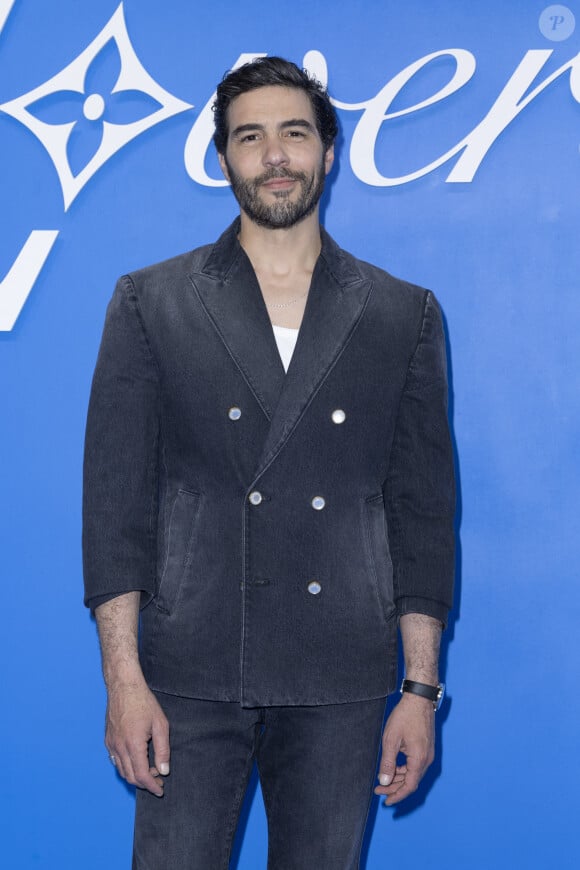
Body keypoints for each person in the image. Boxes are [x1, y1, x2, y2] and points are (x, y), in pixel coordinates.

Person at [83, 56, 455, 870]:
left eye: (295, 133)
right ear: (224, 159)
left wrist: (419, 691)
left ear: (329, 150)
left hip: (342, 673)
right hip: (189, 669)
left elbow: (422, 516)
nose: (274, 155)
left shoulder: (402, 313)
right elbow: (116, 509)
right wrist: (124, 679)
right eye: (250, 137)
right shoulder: (153, 301)